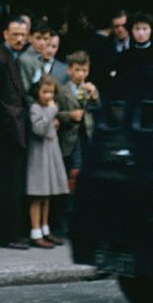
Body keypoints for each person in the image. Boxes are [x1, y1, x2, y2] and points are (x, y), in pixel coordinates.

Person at [0, 12, 32, 250]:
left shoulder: (16, 58)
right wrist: (5, 124)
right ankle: (4, 234)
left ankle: (10, 232)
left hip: (13, 130)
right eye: (15, 35)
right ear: (5, 35)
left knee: (12, 183)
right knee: (4, 185)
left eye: (23, 35)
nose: (20, 39)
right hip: (3, 133)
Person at [24, 75, 69, 248]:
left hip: (50, 153)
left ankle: (45, 229)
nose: (49, 96)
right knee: (37, 194)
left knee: (47, 194)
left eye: (51, 92)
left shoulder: (50, 108)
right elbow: (39, 128)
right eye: (45, 92)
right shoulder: (35, 108)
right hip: (39, 156)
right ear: (37, 92)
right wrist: (51, 112)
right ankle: (35, 232)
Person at [55, 49, 98, 204]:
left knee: (85, 173)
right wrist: (69, 115)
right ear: (69, 70)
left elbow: (99, 111)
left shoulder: (90, 88)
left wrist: (94, 97)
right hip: (69, 139)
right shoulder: (61, 90)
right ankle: (66, 211)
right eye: (77, 70)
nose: (81, 74)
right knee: (71, 174)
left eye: (84, 70)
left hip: (86, 136)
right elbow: (56, 113)